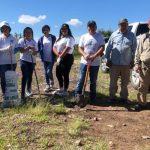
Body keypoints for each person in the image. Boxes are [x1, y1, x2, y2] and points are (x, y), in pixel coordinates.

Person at [105, 18, 137, 103]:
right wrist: (107, 59)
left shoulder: (132, 35)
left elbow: (135, 49)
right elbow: (108, 48)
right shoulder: (113, 35)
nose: (124, 26)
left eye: (125, 24)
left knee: (125, 82)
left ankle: (124, 98)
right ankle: (112, 97)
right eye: (122, 24)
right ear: (119, 25)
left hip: (126, 63)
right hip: (114, 63)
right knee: (113, 82)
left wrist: (133, 60)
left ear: (127, 25)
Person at [75, 20, 105, 105]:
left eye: (93, 26)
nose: (91, 28)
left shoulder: (100, 36)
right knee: (81, 79)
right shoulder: (83, 36)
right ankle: (77, 96)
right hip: (84, 62)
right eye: (89, 26)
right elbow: (79, 48)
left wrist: (94, 56)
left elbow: (102, 47)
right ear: (87, 27)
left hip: (95, 63)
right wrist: (84, 55)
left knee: (93, 81)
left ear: (95, 27)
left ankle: (93, 98)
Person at [53, 23, 75, 96]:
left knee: (65, 74)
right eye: (62, 29)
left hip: (67, 58)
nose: (64, 30)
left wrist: (60, 56)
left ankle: (65, 91)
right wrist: (58, 55)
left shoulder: (70, 38)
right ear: (61, 30)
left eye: (65, 29)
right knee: (58, 73)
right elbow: (54, 47)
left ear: (68, 29)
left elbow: (67, 48)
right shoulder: (59, 38)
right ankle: (61, 88)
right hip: (59, 57)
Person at [18, 27, 38, 102]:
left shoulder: (34, 41)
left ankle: (28, 90)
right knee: (25, 76)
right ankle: (22, 93)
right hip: (24, 60)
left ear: (32, 33)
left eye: (29, 32)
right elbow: (21, 50)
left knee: (30, 76)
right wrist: (28, 47)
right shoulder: (21, 40)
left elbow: (36, 52)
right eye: (26, 32)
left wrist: (33, 51)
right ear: (24, 33)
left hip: (32, 61)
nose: (28, 33)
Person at [133, 19, 150, 110]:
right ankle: (142, 104)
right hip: (145, 66)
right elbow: (138, 52)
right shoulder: (144, 36)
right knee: (143, 85)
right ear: (148, 25)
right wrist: (136, 63)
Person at [0, 21, 18, 100]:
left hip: (12, 62)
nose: (5, 29)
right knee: (3, 78)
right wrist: (5, 49)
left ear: (9, 28)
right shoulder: (0, 38)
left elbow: (17, 48)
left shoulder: (13, 38)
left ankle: (11, 93)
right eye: (3, 28)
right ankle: (5, 93)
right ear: (1, 29)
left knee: (11, 78)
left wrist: (13, 51)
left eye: (6, 28)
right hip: (2, 62)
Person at [38, 25, 56, 92]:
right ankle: (47, 85)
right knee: (46, 72)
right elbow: (39, 48)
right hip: (44, 58)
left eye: (47, 29)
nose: (45, 31)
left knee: (49, 71)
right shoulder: (41, 38)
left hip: (51, 57)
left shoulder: (53, 37)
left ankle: (52, 81)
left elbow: (56, 46)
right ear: (42, 31)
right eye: (44, 30)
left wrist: (56, 56)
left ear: (49, 30)